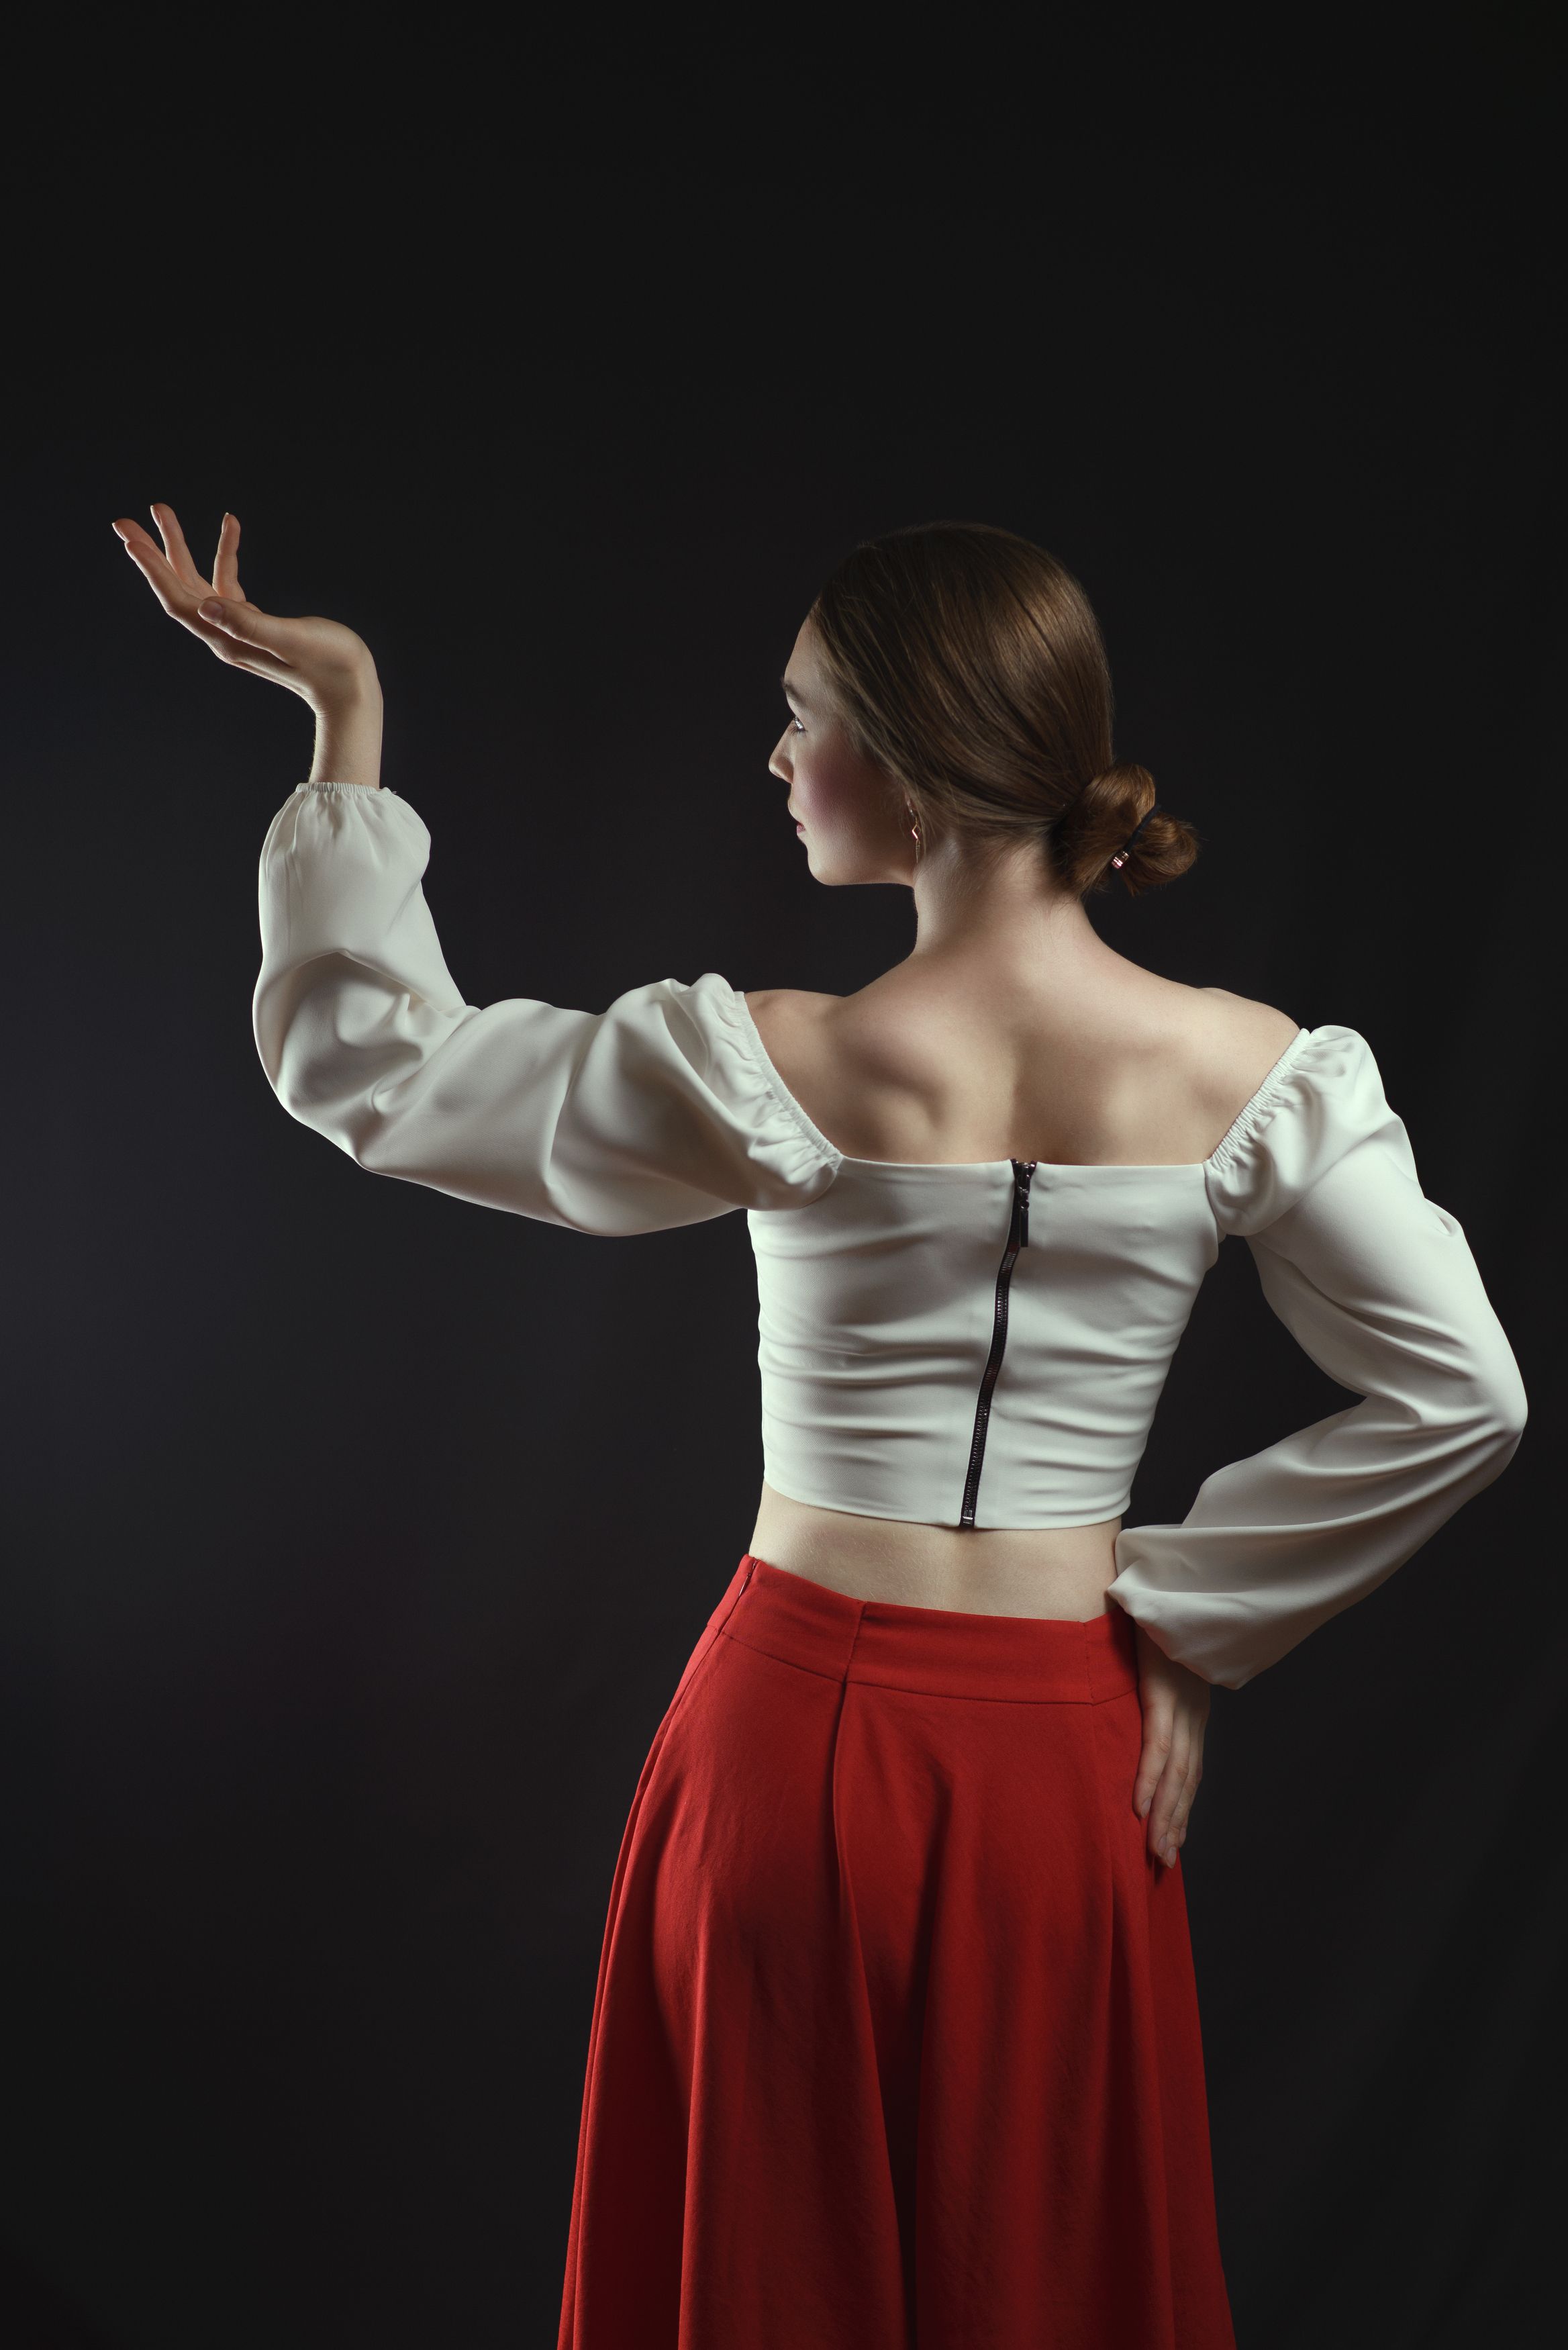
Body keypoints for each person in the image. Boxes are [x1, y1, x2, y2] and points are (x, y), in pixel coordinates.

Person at [114, 506, 1526, 2350]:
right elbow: (1465, 1390)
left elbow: (377, 1070)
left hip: (790, 1738)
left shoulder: (782, 1059)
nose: (779, 760)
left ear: (918, 764)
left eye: (804, 717)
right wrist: (1183, 1620)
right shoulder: (1257, 1076)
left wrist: (347, 718)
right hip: (1068, 1765)